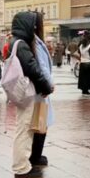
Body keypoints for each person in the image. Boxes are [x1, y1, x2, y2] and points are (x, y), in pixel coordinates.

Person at [9, 11, 53, 178]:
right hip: (26, 92)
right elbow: (33, 69)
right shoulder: (21, 44)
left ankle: (23, 163)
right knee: (24, 129)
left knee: (25, 127)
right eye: (32, 23)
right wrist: (46, 86)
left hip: (22, 91)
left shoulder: (17, 42)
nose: (35, 26)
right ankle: (21, 167)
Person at [30, 12, 55, 169]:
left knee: (40, 120)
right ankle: (36, 156)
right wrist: (49, 84)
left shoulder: (34, 41)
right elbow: (42, 66)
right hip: (41, 88)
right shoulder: (35, 43)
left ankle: (36, 154)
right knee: (41, 121)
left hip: (38, 87)